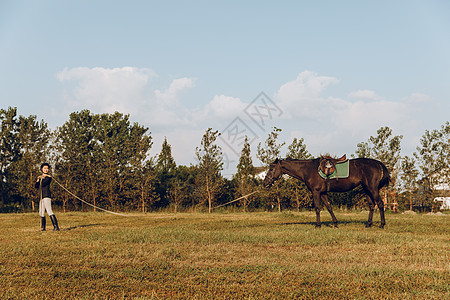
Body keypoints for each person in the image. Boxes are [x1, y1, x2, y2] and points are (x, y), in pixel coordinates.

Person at [35, 163, 59, 231]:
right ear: (42, 169)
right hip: (41, 197)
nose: (46, 169)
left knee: (49, 211)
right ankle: (43, 228)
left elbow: (43, 184)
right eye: (44, 168)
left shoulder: (49, 177)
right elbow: (36, 186)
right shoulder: (40, 177)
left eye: (47, 168)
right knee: (41, 212)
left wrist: (42, 178)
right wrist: (38, 179)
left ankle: (56, 227)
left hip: (46, 196)